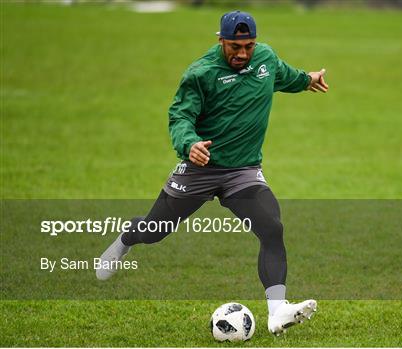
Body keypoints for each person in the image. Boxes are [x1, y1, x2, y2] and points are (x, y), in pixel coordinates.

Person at [96, 10, 329, 335]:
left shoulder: (265, 59)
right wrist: (189, 144)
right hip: (199, 170)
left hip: (242, 172)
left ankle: (277, 312)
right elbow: (179, 117)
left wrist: (308, 79)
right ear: (221, 40)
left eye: (248, 45)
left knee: (271, 228)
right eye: (235, 46)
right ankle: (125, 240)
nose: (243, 53)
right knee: (155, 230)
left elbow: (285, 75)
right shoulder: (201, 73)